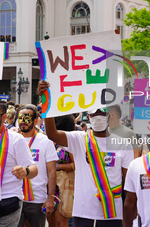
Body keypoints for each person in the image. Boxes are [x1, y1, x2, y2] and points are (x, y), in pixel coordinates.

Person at [38, 81, 134, 227]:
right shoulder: (78, 139)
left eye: (102, 112)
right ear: (88, 118)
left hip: (112, 213)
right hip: (83, 212)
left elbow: (128, 183)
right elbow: (52, 134)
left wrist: (131, 211)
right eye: (94, 113)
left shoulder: (123, 143)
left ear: (110, 115)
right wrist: (47, 104)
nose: (98, 116)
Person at [0, 99, 38, 227]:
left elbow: (34, 169)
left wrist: (25, 171)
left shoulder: (16, 139)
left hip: (6, 202)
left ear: (4, 117)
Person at [17, 104, 58, 227]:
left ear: (35, 120)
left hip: (37, 198)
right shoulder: (12, 139)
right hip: (16, 197)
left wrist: (51, 197)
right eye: (20, 118)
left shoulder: (45, 141)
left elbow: (52, 171)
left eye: (27, 118)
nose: (23, 122)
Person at [50, 115, 76, 227]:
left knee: (61, 222)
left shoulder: (69, 143)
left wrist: (58, 166)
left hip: (63, 185)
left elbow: (76, 164)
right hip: (48, 185)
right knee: (51, 221)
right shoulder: (50, 141)